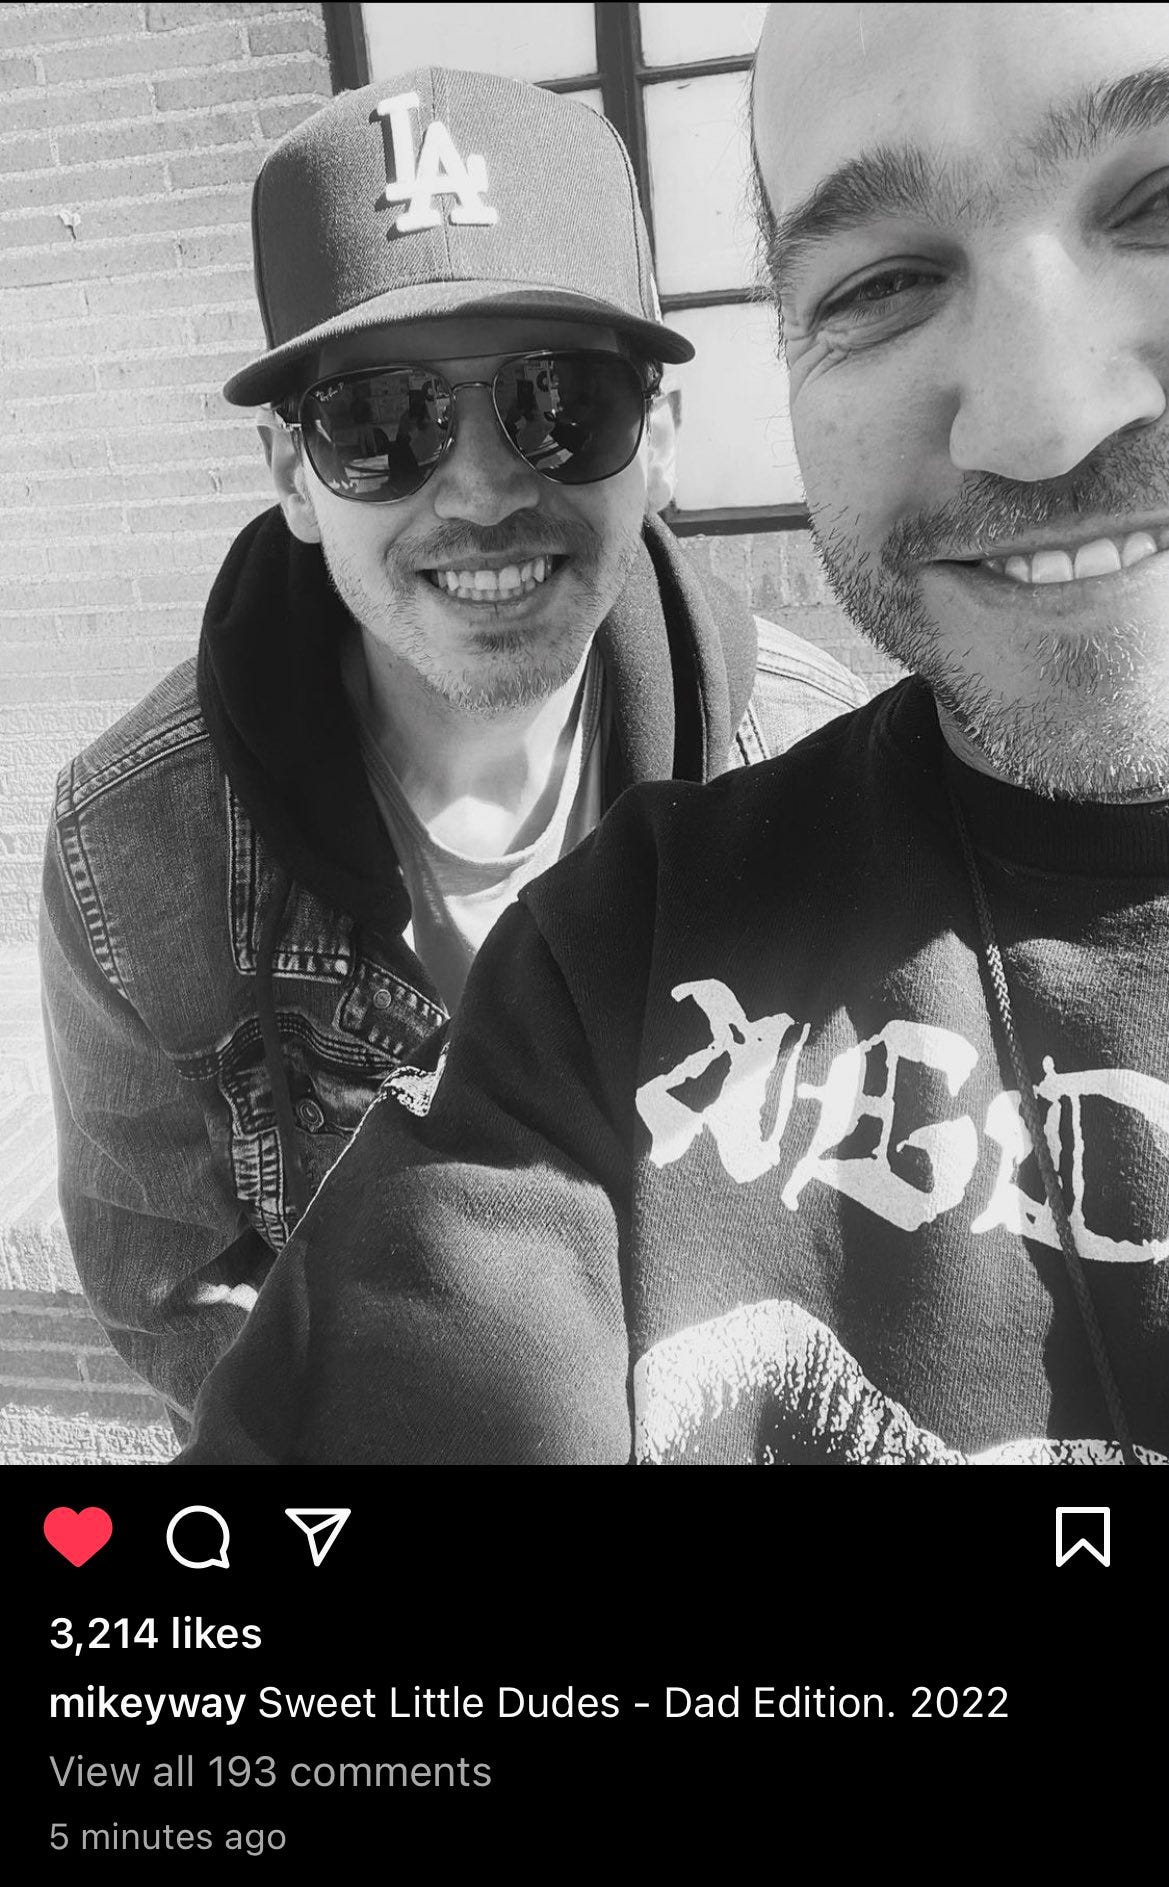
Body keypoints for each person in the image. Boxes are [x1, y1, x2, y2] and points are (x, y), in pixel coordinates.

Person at [40, 67, 866, 1442]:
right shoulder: (131, 847)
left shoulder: (816, 775)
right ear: (294, 476)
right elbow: (172, 1282)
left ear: (659, 436)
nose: (482, 491)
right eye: (380, 421)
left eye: (561, 402)